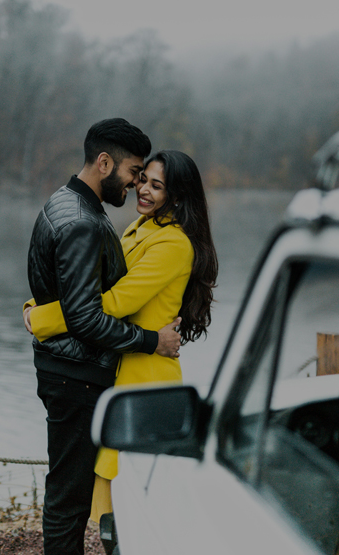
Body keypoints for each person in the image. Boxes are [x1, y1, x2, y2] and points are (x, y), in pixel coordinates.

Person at [26, 119, 182, 555]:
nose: (136, 186)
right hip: (74, 375)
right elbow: (87, 317)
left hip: (65, 368)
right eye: (134, 173)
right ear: (105, 164)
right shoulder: (83, 222)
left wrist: (41, 317)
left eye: (149, 178)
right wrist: (150, 342)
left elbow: (70, 306)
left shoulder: (66, 205)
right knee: (68, 493)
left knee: (65, 487)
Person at [25, 149, 218, 513]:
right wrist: (34, 304)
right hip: (123, 367)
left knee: (136, 507)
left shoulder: (174, 244)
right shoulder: (139, 227)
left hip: (146, 379)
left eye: (156, 185)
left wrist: (45, 319)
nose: (142, 189)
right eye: (143, 179)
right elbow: (90, 288)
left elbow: (114, 302)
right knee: (116, 510)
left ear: (176, 196)